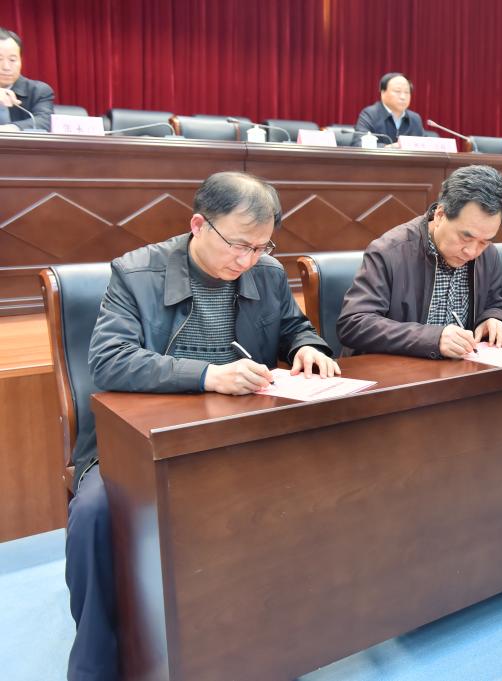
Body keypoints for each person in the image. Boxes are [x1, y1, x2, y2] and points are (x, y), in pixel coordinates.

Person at [65, 171, 337, 681]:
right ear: (198, 225)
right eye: (238, 245)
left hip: (239, 436)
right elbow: (108, 360)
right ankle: (97, 663)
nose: (248, 260)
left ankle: (276, 638)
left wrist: (307, 347)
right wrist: (209, 375)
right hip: (139, 442)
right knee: (97, 511)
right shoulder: (135, 273)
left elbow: (294, 326)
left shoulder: (267, 273)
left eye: (261, 247)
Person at [337, 165, 502, 359]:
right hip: (396, 370)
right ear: (440, 215)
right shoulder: (390, 252)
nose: (472, 252)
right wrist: (432, 339)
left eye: (484, 242)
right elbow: (354, 323)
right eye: (465, 237)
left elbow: (492, 304)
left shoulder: (488, 255)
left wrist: (492, 318)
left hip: (461, 369)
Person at [0, 27, 54, 132]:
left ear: (21, 61)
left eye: (12, 60)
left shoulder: (38, 91)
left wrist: (7, 130)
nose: (6, 67)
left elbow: (45, 121)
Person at [352, 72, 425, 147]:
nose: (403, 97)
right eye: (397, 91)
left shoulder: (415, 119)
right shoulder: (370, 114)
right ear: (383, 93)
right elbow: (358, 144)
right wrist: (388, 148)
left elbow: (424, 146)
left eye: (407, 92)